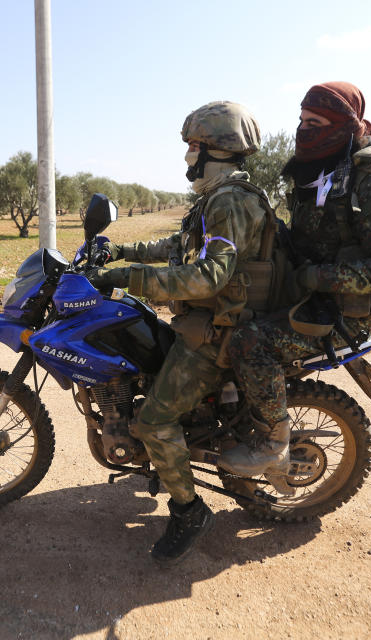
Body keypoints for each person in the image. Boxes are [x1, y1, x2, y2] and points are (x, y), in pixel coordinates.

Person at [86, 101, 274, 564]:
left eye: (195, 147)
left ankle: (190, 512)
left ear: (217, 151)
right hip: (203, 323)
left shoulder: (231, 201)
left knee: (152, 420)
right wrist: (121, 251)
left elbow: (209, 277)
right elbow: (178, 246)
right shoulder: (216, 199)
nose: (188, 156)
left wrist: (127, 277)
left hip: (219, 334)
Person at [217, 81, 371, 476]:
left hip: (350, 314)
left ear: (347, 125)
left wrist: (315, 276)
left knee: (248, 341)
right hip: (314, 300)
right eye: (302, 120)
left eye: (316, 121)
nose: (304, 130)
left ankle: (274, 442)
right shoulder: (317, 179)